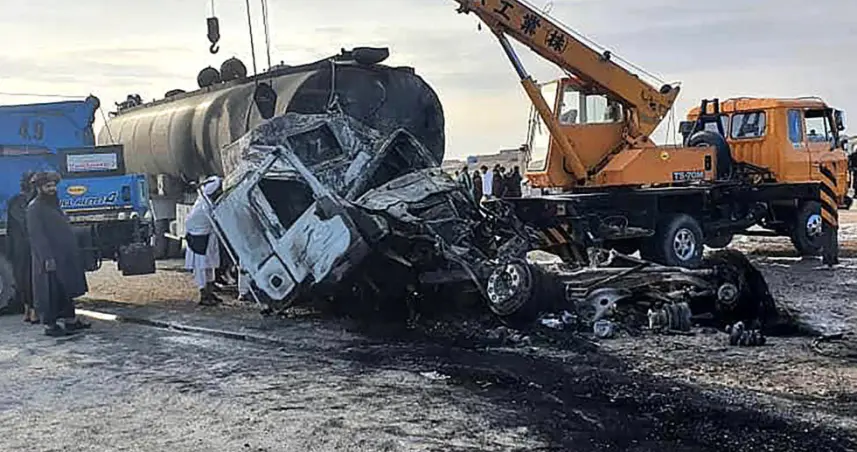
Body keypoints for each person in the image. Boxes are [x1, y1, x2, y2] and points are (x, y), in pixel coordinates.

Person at [27, 171, 91, 336]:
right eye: (48, 186)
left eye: (53, 185)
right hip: (49, 258)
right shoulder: (34, 208)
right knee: (50, 292)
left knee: (65, 289)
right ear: (39, 188)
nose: (52, 189)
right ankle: (50, 326)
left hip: (63, 256)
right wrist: (47, 258)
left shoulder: (53, 204)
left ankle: (70, 321)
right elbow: (37, 236)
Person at [184, 176, 223, 306]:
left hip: (208, 236)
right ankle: (203, 294)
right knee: (201, 267)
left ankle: (210, 291)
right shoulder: (206, 205)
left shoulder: (204, 200)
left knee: (210, 266)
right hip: (198, 239)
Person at [7, 171, 37, 322]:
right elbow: (23, 223)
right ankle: (31, 310)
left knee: (24, 278)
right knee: (29, 278)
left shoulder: (18, 200)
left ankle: (29, 309)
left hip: (20, 245)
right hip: (25, 245)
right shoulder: (22, 201)